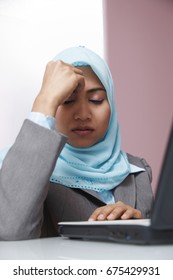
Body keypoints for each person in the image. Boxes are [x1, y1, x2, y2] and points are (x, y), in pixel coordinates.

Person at [0, 46, 153, 241]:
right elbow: (10, 231)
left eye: (96, 100)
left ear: (111, 103)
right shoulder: (15, 168)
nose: (82, 115)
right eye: (68, 100)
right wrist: (44, 100)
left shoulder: (137, 171)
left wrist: (140, 226)